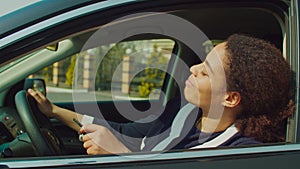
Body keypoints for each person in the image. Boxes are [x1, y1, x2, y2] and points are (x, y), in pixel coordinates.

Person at [28, 34, 295, 155]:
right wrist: (54, 112)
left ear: (230, 98)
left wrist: (120, 154)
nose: (193, 68)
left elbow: (125, 147)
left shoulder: (243, 154)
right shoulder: (185, 111)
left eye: (206, 72)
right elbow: (125, 132)